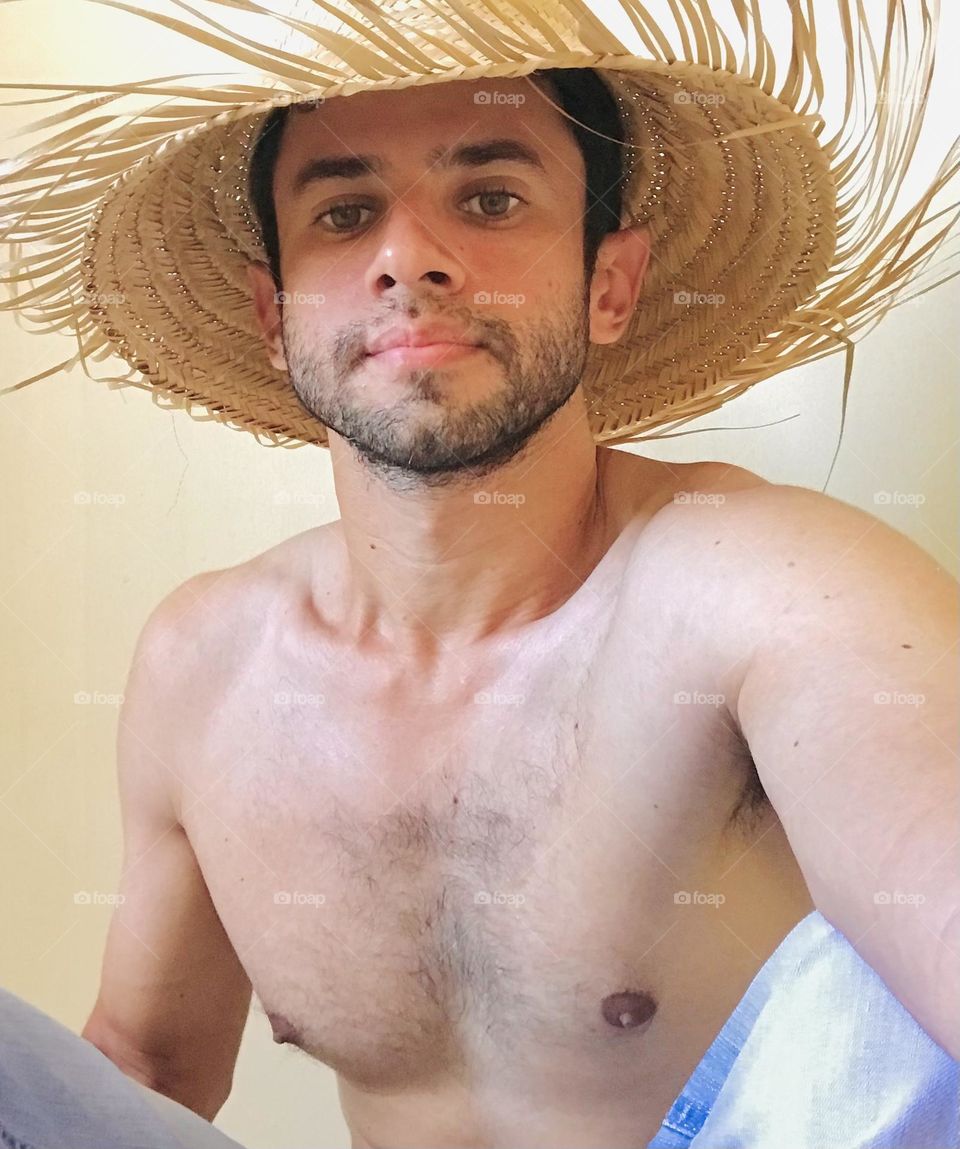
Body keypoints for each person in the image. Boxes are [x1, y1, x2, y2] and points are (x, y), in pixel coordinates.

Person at [1, 2, 958, 1146]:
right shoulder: (203, 664)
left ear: (609, 286)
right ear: (274, 315)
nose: (408, 257)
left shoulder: (770, 586)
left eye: (491, 199)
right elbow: (143, 1075)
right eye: (345, 213)